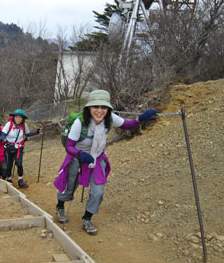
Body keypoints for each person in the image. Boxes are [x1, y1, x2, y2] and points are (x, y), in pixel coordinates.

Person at [53, 90, 159, 235]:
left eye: (103, 107)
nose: (99, 111)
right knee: (69, 185)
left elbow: (127, 125)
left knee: (98, 191)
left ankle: (87, 218)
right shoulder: (80, 122)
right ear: (89, 107)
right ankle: (60, 207)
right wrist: (80, 154)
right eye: (95, 106)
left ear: (108, 109)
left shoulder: (109, 118)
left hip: (97, 157)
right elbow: (69, 146)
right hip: (77, 157)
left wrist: (141, 119)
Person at [1, 109, 41, 188]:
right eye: (16, 117)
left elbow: (28, 134)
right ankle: (9, 179)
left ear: (22, 118)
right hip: (8, 147)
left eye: (20, 117)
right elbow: (3, 134)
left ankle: (20, 180)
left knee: (19, 164)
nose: (18, 119)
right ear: (14, 117)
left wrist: (36, 132)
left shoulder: (24, 125)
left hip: (18, 147)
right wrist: (5, 141)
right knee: (9, 165)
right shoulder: (9, 124)